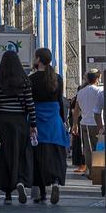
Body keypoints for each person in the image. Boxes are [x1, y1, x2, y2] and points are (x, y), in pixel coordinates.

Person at [0, 50, 35, 204]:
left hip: (2, 122)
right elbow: (30, 105)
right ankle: (20, 180)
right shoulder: (24, 80)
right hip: (20, 122)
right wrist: (33, 124)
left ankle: (7, 193)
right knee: (20, 154)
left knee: (4, 156)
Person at [30, 48, 70, 203]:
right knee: (56, 153)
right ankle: (56, 182)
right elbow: (60, 101)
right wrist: (62, 120)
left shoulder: (32, 79)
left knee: (39, 155)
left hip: (38, 117)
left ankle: (42, 193)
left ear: (38, 59)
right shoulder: (57, 78)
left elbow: (30, 101)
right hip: (54, 118)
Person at [74, 69, 102, 175]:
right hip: (97, 123)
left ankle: (91, 170)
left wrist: (74, 124)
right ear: (97, 79)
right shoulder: (100, 91)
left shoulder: (81, 92)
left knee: (87, 149)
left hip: (84, 123)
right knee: (98, 148)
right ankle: (98, 171)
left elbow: (76, 109)